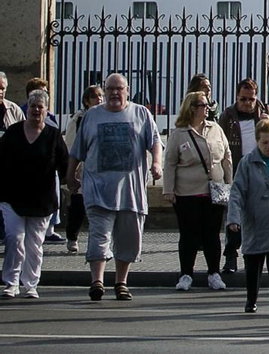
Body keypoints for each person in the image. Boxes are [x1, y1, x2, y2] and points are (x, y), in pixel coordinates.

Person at [72, 73, 162, 301]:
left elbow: (155, 143)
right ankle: (97, 281)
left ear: (127, 90)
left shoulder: (141, 113)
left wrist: (156, 163)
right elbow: (77, 150)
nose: (114, 93)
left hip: (130, 192)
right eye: (110, 88)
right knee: (98, 237)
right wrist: (70, 175)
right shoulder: (92, 116)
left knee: (128, 240)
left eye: (119, 89)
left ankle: (121, 282)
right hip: (98, 190)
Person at [0, 89, 70, 298]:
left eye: (40, 107)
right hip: (13, 197)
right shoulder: (13, 132)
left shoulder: (53, 135)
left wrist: (71, 183)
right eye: (32, 106)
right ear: (27, 109)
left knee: (34, 244)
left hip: (42, 200)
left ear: (46, 110)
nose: (36, 110)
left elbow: (64, 163)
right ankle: (11, 282)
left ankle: (31, 284)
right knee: (15, 239)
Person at [163, 89, 235, 291]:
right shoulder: (179, 133)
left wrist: (230, 183)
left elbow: (226, 156)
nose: (208, 108)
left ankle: (214, 273)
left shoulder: (215, 129)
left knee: (212, 234)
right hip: (187, 192)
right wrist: (168, 190)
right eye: (204, 105)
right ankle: (186, 273)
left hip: (214, 190)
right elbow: (169, 163)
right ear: (193, 108)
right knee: (189, 235)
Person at [226, 119, 269, 316]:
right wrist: (233, 218)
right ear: (257, 141)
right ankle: (251, 299)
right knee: (253, 265)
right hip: (254, 220)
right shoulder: (247, 162)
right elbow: (237, 192)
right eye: (265, 142)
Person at [218, 78, 269, 275]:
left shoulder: (264, 111)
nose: (247, 103)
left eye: (251, 99)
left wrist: (268, 120)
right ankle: (230, 257)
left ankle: (256, 256)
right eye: (243, 99)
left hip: (260, 169)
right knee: (234, 214)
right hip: (237, 168)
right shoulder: (228, 115)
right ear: (237, 97)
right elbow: (219, 140)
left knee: (259, 215)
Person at [62, 83, 103, 255]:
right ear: (86, 101)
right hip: (83, 169)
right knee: (78, 207)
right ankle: (72, 237)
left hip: (100, 170)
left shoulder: (107, 115)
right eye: (95, 96)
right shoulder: (78, 119)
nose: (99, 99)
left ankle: (99, 241)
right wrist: (74, 170)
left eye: (101, 96)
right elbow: (71, 144)